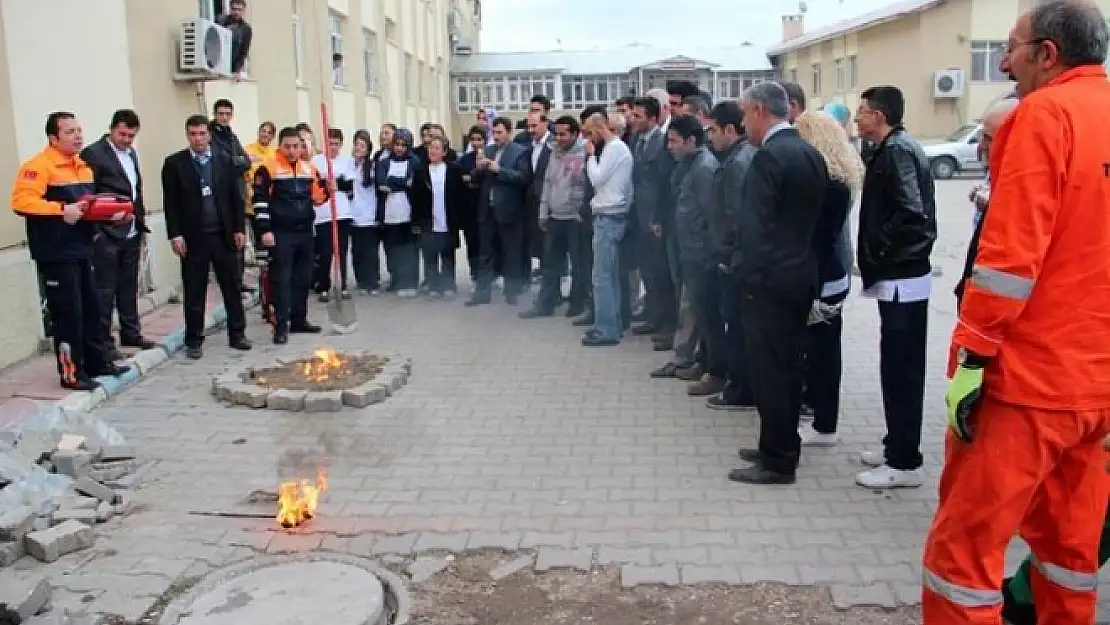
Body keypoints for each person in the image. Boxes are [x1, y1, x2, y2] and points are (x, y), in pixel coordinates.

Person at [923, 2, 1110, 623]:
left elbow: (1008, 261)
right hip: (1097, 390)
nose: (1003, 61)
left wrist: (972, 358)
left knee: (964, 558)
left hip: (1027, 385)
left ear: (1047, 54)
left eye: (1011, 47)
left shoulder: (1043, 115)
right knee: (1069, 556)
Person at [728, 82, 828, 486]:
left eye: (743, 114)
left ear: (758, 110)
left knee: (770, 372)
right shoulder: (809, 152)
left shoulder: (769, 157)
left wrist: (748, 278)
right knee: (786, 369)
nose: (741, 123)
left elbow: (757, 229)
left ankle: (777, 460)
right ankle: (779, 442)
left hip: (769, 282)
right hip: (799, 275)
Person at [853, 85, 936, 489]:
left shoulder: (899, 151)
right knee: (894, 366)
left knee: (902, 370)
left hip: (904, 276)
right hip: (898, 276)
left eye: (863, 111)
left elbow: (912, 214)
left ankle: (905, 462)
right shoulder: (890, 149)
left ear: (881, 115)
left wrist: (877, 248)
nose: (857, 118)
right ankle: (895, 445)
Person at [12, 112, 131, 390]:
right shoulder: (39, 166)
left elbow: (85, 208)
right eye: (70, 132)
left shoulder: (83, 167)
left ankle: (96, 363)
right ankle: (71, 373)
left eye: (79, 130)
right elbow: (21, 201)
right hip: (55, 252)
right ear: (53, 138)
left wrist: (110, 216)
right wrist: (59, 210)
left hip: (82, 249)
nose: (78, 136)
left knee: (91, 309)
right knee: (68, 315)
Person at [792, 111, 864, 448]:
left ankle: (824, 423)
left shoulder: (828, 184)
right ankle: (823, 419)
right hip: (831, 273)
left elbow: (819, 238)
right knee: (825, 350)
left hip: (823, 277)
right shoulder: (840, 177)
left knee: (822, 353)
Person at [161, 114, 251, 360]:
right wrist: (175, 234)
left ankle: (238, 333)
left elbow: (236, 198)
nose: (198, 138)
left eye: (202, 133)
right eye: (193, 134)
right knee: (194, 289)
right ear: (187, 135)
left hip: (222, 234)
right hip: (193, 237)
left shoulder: (224, 161)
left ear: (209, 135)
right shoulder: (175, 164)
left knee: (231, 285)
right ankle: (194, 339)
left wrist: (239, 229)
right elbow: (171, 203)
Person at [80, 109, 155, 360]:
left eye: (131, 136)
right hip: (106, 232)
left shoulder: (131, 154)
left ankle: (131, 332)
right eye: (122, 134)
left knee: (128, 286)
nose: (126, 140)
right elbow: (89, 195)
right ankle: (104, 342)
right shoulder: (94, 154)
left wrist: (141, 224)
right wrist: (97, 231)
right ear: (112, 129)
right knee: (105, 290)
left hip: (131, 229)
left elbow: (136, 191)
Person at [252, 126, 329, 343]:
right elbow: (259, 201)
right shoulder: (267, 169)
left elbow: (318, 198)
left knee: (302, 279)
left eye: (296, 146)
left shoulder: (308, 169)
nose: (292, 151)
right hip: (280, 233)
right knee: (281, 280)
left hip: (305, 231)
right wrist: (264, 230)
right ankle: (281, 325)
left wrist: (328, 190)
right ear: (281, 146)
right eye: (288, 146)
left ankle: (299, 320)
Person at [704, 101, 757, 411]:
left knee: (736, 327)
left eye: (712, 130)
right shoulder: (737, 157)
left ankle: (739, 391)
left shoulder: (738, 162)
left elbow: (736, 216)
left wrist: (727, 254)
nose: (709, 137)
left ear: (728, 129)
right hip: (733, 257)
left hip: (734, 260)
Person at [665, 115, 723, 397]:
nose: (670, 147)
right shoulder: (688, 165)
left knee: (706, 316)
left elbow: (711, 215)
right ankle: (702, 363)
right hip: (687, 250)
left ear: (691, 140)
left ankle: (714, 371)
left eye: (674, 141)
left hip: (700, 254)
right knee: (697, 311)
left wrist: (707, 252)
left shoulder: (704, 168)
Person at [520, 115, 589, 319]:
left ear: (575, 134)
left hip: (574, 219)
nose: (559, 138)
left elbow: (584, 186)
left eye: (564, 134)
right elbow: (547, 183)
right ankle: (545, 304)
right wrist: (543, 212)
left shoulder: (584, 153)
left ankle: (577, 303)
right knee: (550, 264)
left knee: (578, 264)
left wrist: (580, 212)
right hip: (554, 217)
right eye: (557, 133)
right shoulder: (553, 153)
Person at [629, 96, 679, 351]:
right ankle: (653, 316)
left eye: (638, 116)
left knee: (662, 273)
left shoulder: (661, 143)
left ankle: (668, 324)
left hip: (655, 218)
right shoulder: (638, 140)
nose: (633, 120)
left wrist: (658, 217)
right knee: (648, 271)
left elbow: (663, 184)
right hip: (639, 215)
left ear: (653, 117)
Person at [465, 117, 531, 307]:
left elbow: (523, 177)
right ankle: (482, 293)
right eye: (494, 133)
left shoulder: (520, 152)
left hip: (509, 211)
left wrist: (499, 169)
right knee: (485, 253)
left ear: (509, 132)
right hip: (488, 210)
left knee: (511, 253)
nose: (496, 136)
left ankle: (512, 292)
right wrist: (477, 169)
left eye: (500, 132)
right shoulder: (489, 150)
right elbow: (477, 179)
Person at [582, 112, 634, 347]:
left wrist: (591, 157)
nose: (587, 139)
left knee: (602, 277)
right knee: (609, 275)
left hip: (609, 216)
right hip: (613, 214)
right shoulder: (619, 148)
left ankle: (606, 329)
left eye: (588, 133)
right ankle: (612, 323)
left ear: (598, 129)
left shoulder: (613, 148)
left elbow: (597, 179)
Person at [411, 136, 461, 297]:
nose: (432, 151)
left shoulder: (453, 170)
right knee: (430, 255)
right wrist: (417, 221)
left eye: (437, 148)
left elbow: (459, 197)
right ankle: (433, 285)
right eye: (430, 147)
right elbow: (415, 199)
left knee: (447, 254)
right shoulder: (421, 172)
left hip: (448, 219)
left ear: (444, 152)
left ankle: (448, 285)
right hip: (428, 220)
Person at [375, 127, 421, 298]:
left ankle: (410, 281)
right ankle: (396, 279)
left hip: (408, 212)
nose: (400, 148)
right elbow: (381, 185)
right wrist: (402, 183)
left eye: (403, 145)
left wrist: (392, 183)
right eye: (397, 144)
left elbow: (414, 185)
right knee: (392, 248)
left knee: (409, 249)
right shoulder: (384, 162)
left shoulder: (414, 161)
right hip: (389, 213)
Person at [311, 128, 356, 301]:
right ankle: (324, 286)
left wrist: (337, 183)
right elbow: (314, 183)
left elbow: (349, 184)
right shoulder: (316, 161)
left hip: (342, 213)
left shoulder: (347, 161)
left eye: (336, 144)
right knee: (325, 251)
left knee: (342, 251)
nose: (333, 147)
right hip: (323, 213)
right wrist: (325, 183)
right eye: (330, 143)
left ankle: (342, 285)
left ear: (341, 145)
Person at [349, 130, 382, 295]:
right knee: (357, 250)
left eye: (362, 146)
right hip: (354, 215)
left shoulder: (372, 167)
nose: (358, 148)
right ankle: (361, 281)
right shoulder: (349, 165)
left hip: (369, 215)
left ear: (368, 149)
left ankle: (372, 281)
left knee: (370, 251)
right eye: (356, 145)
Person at [456, 126, 486, 282]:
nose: (475, 143)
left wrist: (471, 179)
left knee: (485, 242)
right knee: (472, 242)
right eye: (472, 139)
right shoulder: (465, 159)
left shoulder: (489, 156)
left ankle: (488, 274)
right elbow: (459, 178)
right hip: (469, 208)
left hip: (485, 206)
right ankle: (475, 273)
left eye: (479, 139)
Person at [218, 0, 253, 79]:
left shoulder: (246, 29)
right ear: (230, 9)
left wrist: (238, 71)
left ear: (244, 10)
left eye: (239, 10)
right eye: (234, 9)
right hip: (218, 64)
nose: (236, 12)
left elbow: (243, 52)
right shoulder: (221, 22)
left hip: (233, 67)